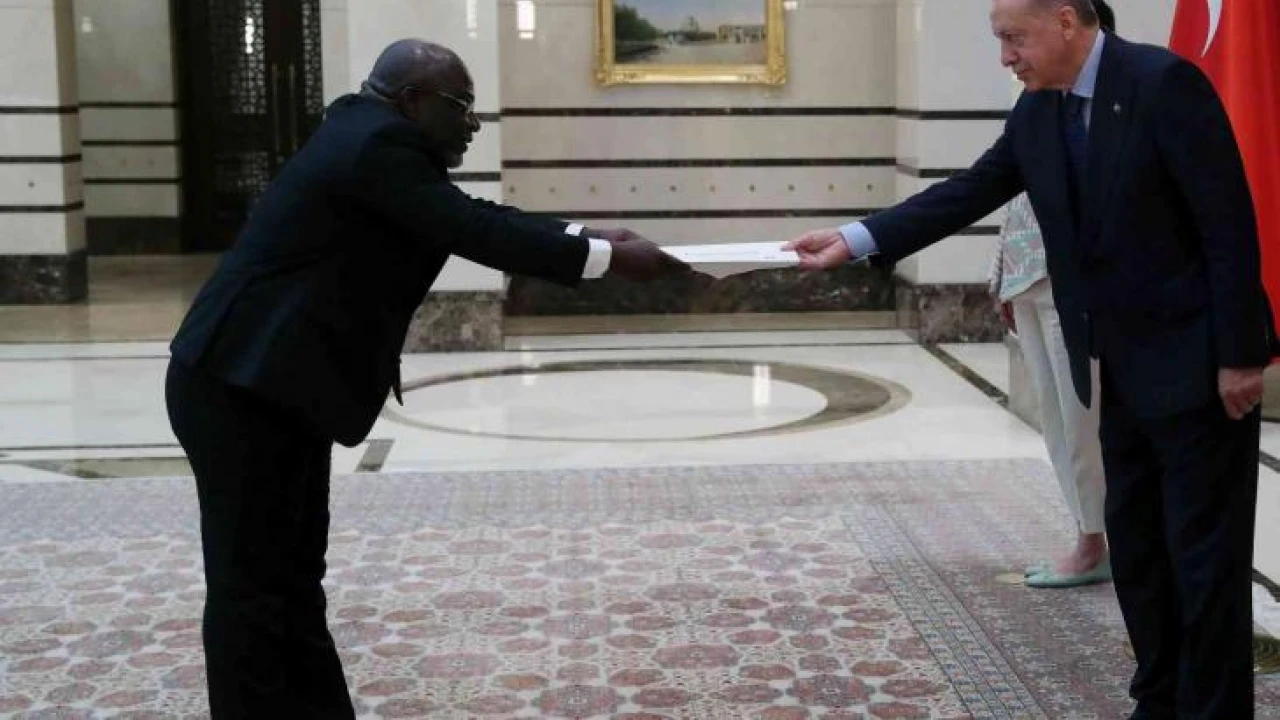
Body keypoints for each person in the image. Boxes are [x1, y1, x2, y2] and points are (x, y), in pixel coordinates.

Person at [165, 39, 686, 718]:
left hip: (273, 386)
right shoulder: (374, 146)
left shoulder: (372, 135)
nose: (473, 123)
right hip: (239, 387)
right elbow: (470, 229)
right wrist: (606, 260)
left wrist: (591, 233)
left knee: (291, 581)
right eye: (461, 106)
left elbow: (472, 214)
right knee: (253, 591)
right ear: (413, 100)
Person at [785, 0, 1275, 716]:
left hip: (1198, 365)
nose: (1006, 57)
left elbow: (1227, 223)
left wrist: (1241, 356)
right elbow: (969, 191)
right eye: (1000, 40)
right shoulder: (1039, 110)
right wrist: (857, 237)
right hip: (1116, 367)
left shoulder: (1163, 84)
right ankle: (1159, 698)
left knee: (1203, 557)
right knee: (1139, 549)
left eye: (1014, 38)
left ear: (1066, 21)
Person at [993, 195, 1108, 588]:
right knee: (1055, 419)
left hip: (1071, 277)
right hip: (1023, 275)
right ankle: (1088, 539)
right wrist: (1001, 277)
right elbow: (1014, 194)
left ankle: (1093, 545)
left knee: (1081, 423)